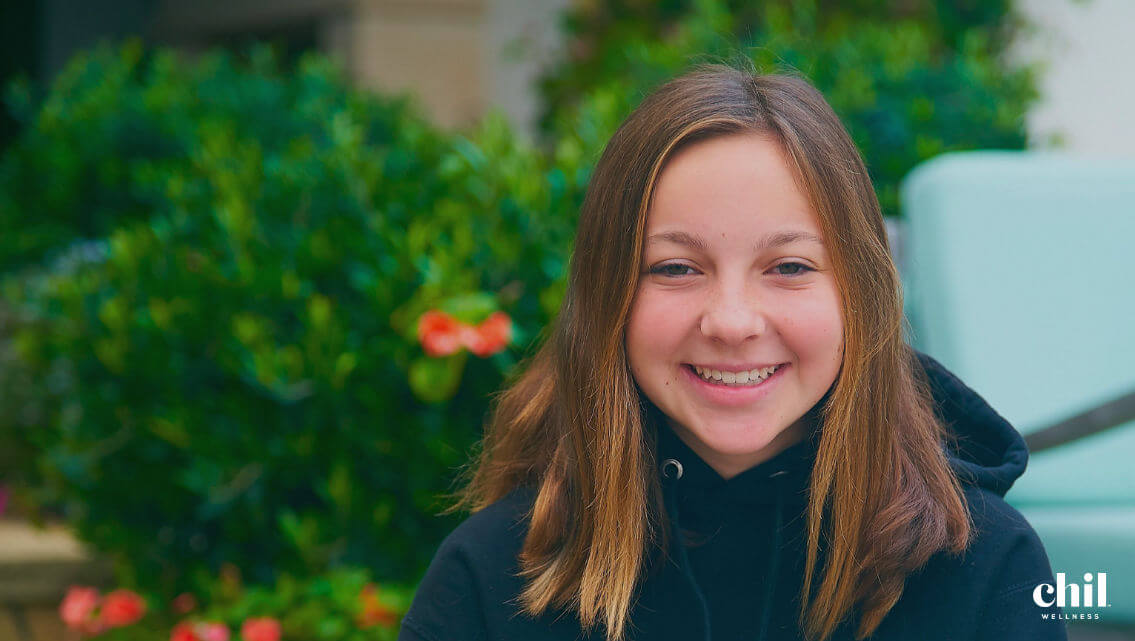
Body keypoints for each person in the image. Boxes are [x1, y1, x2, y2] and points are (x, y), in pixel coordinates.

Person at [397, 64, 1067, 641]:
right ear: (606, 301)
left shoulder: (987, 571)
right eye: (674, 268)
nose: (731, 320)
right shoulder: (492, 577)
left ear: (860, 298)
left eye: (789, 266)